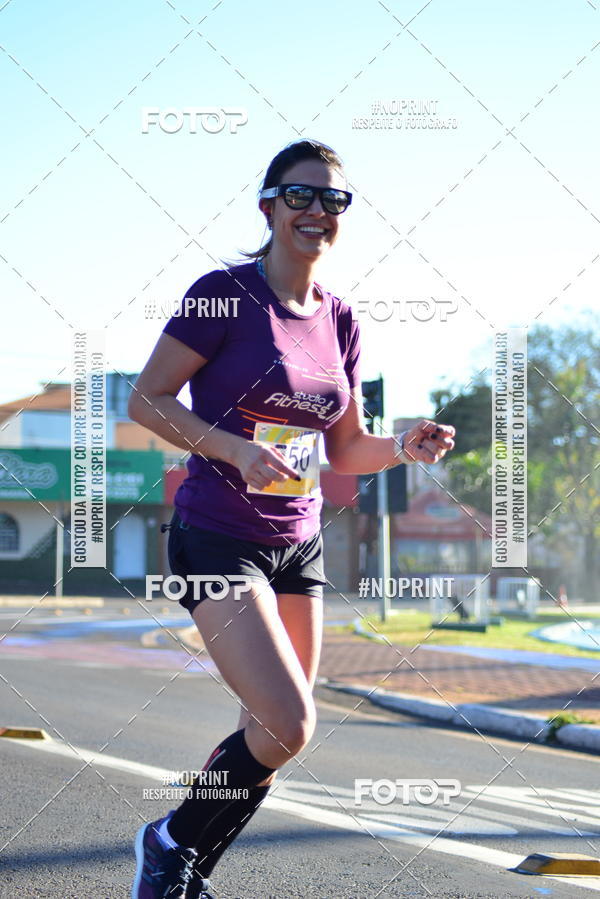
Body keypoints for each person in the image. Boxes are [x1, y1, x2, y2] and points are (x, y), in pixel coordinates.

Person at [128, 138, 456, 899]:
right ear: (268, 204)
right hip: (217, 534)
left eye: (332, 200)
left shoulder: (340, 319)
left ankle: (183, 871)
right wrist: (233, 450)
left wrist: (403, 446)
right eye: (301, 196)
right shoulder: (224, 294)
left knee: (271, 733)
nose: (317, 211)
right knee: (288, 718)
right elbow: (146, 398)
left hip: (297, 544)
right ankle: (168, 842)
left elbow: (345, 449)